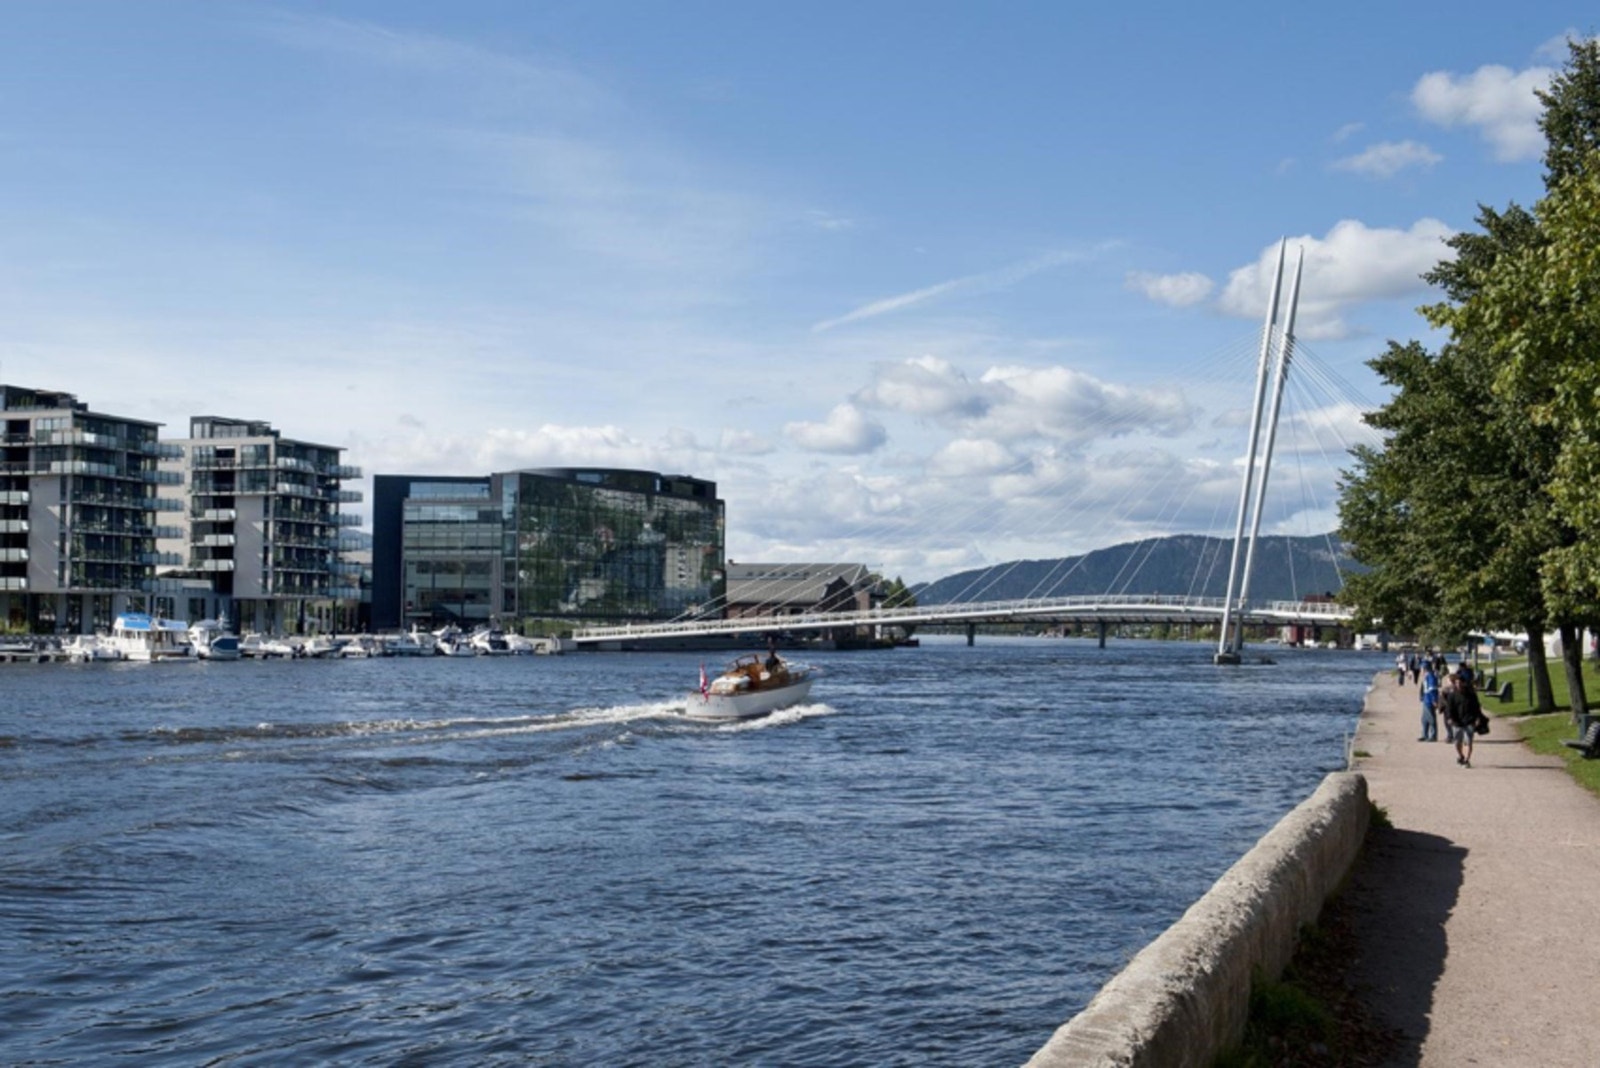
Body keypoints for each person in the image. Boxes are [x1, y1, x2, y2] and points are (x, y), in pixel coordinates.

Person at [1443, 668, 1481, 767]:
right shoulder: (1452, 696)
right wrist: (1450, 718)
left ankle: (1467, 760)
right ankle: (1461, 755)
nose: (1458, 684)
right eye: (1456, 683)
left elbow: (1476, 707)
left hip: (1469, 720)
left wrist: (1477, 718)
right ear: (1454, 684)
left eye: (1460, 683)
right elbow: (1449, 709)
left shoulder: (1471, 695)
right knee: (1457, 742)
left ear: (1464, 683)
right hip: (1457, 721)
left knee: (1469, 741)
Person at [1419, 663, 1440, 741]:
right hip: (1425, 699)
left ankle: (1433, 736)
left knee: (1431, 718)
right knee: (1424, 719)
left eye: (1421, 669)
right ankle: (1425, 734)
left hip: (1429, 700)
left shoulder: (1431, 677)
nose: (1420, 670)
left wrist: (1434, 700)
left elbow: (1433, 690)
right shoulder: (1426, 677)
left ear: (1425, 669)